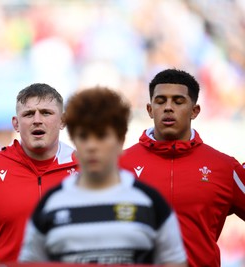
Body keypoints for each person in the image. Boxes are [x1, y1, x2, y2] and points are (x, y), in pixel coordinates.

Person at [19, 87, 187, 266]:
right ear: (74, 141)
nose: (92, 146)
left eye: (101, 136)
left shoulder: (150, 202)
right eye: (83, 136)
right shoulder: (50, 204)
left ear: (121, 140)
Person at [119, 69, 245, 267]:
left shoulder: (224, 167)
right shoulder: (119, 165)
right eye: (160, 101)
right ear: (150, 109)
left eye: (178, 101)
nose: (168, 108)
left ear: (195, 111)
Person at [0, 83, 78, 261]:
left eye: (46, 113)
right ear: (16, 124)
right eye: (28, 114)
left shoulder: (87, 171)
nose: (37, 120)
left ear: (63, 121)